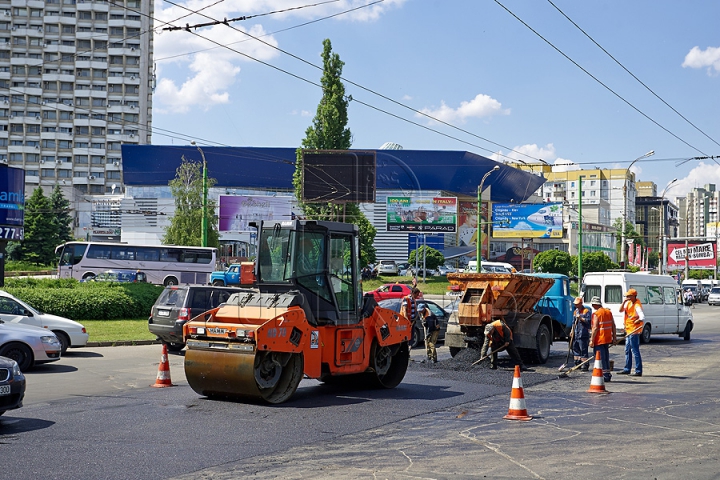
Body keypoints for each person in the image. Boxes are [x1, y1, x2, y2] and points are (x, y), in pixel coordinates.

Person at [589, 296, 617, 382]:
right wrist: (614, 338)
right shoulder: (608, 312)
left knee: (599, 359)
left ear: (595, 304)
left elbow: (595, 328)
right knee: (605, 358)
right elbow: (613, 326)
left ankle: (603, 375)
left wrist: (591, 340)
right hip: (607, 339)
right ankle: (607, 374)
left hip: (599, 340)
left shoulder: (596, 314)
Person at [619, 288, 644, 376]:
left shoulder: (637, 305)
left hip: (634, 331)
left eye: (629, 296)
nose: (627, 297)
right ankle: (627, 368)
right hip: (628, 330)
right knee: (627, 350)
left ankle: (638, 370)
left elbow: (642, 317)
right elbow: (620, 310)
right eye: (627, 296)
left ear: (633, 296)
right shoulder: (628, 303)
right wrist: (624, 302)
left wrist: (636, 321)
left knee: (634, 350)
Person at [572, 297, 591, 371]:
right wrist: (572, 331)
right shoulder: (575, 311)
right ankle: (577, 363)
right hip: (576, 333)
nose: (576, 306)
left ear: (581, 304)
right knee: (575, 348)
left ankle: (585, 365)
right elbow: (573, 323)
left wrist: (580, 318)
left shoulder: (586, 311)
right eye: (575, 304)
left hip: (583, 333)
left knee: (583, 349)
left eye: (577, 304)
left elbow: (588, 321)